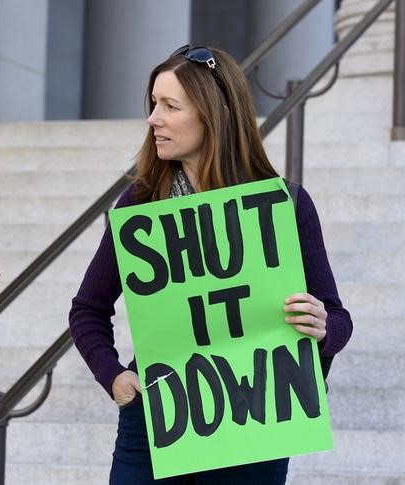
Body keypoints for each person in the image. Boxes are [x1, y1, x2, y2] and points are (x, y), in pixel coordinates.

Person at [68, 45, 352, 484]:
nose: (152, 118)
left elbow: (338, 320)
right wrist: (113, 377)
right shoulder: (142, 205)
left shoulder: (285, 205)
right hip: (156, 422)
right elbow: (87, 308)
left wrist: (323, 327)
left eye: (169, 106)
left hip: (257, 425)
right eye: (153, 104)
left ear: (212, 114)